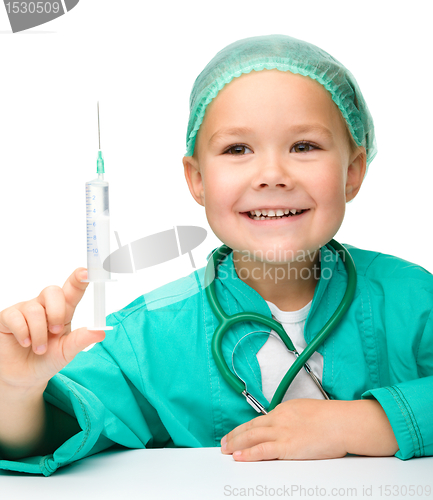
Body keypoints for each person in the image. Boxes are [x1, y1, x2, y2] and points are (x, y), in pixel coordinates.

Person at [0, 34, 432, 477]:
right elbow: (53, 433)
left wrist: (368, 423)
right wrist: (15, 392)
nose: (271, 175)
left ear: (353, 171)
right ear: (198, 179)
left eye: (304, 146)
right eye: (237, 149)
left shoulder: (415, 300)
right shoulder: (148, 336)